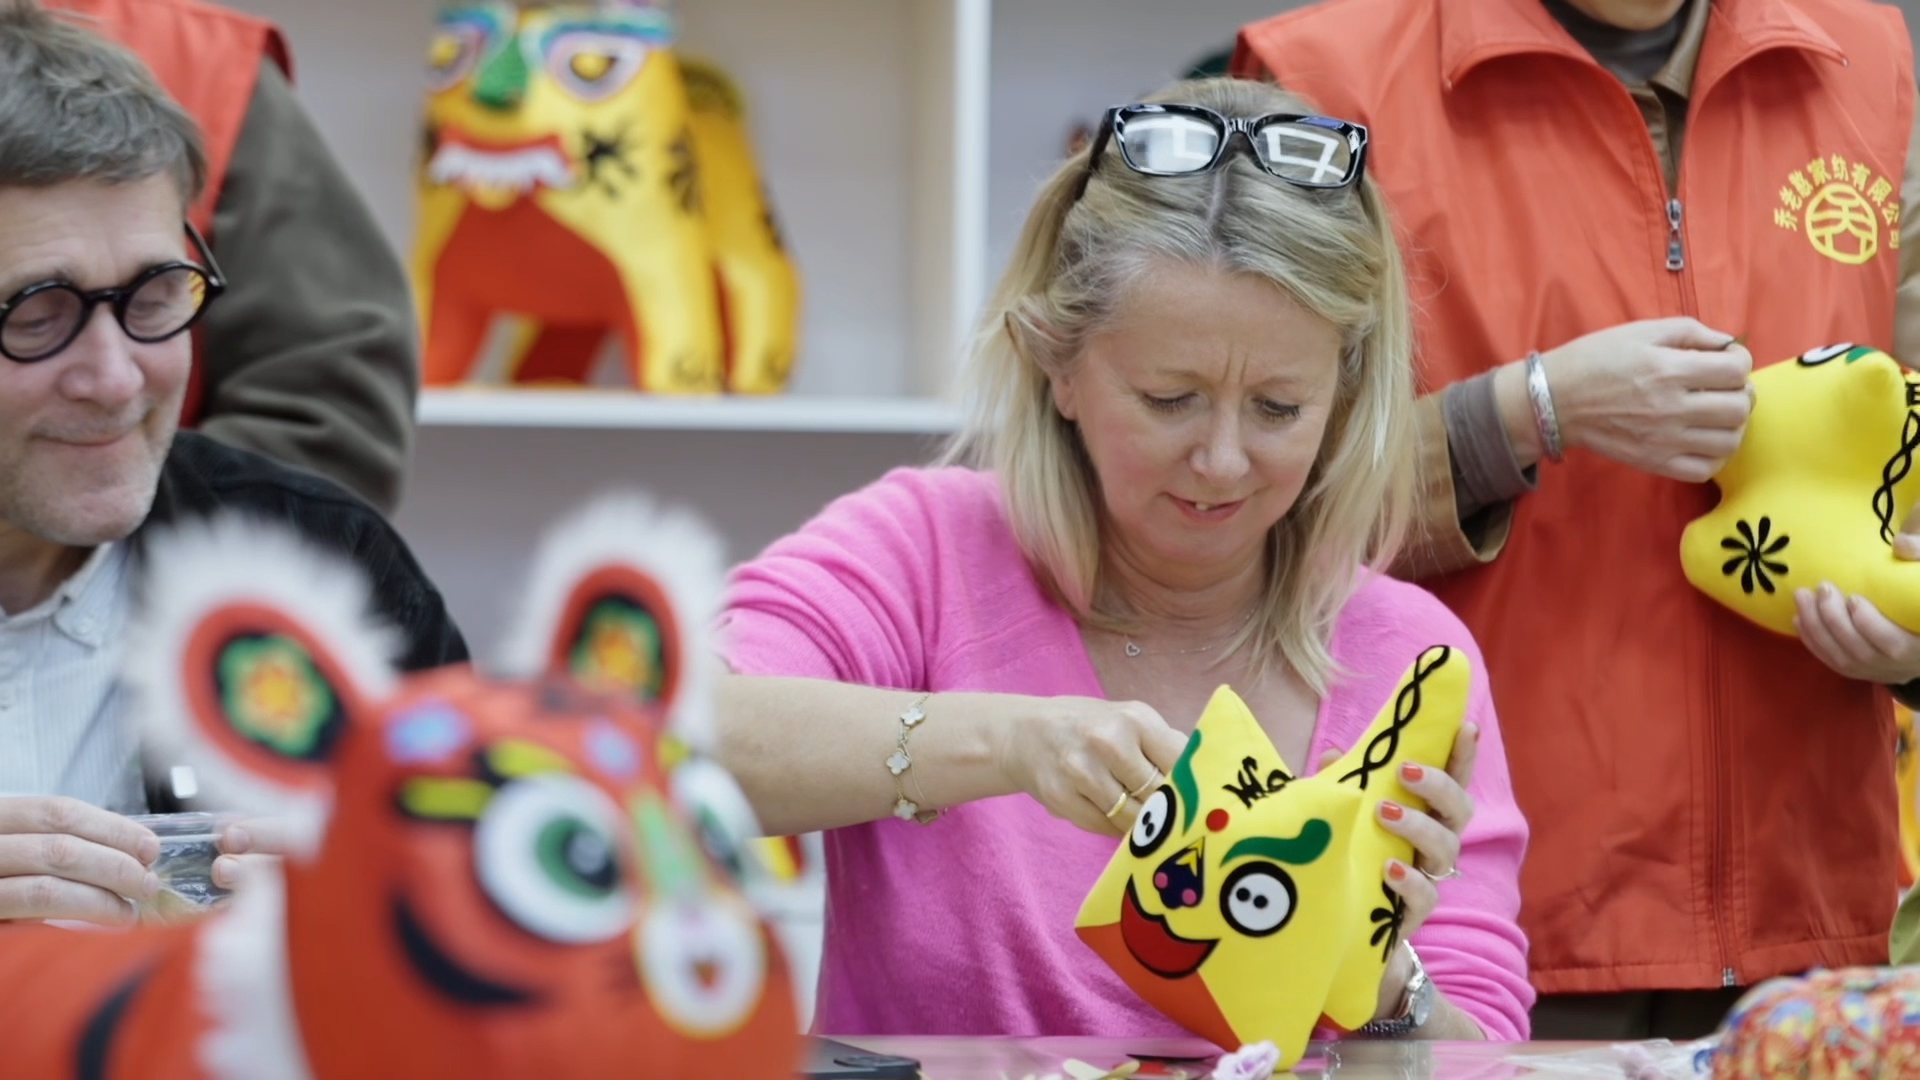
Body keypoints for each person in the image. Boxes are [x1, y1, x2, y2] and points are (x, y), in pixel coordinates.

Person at [715, 77, 1533, 1041]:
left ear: (1345, 397)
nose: (1222, 460)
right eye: (1168, 399)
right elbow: (675, 740)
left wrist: (1382, 981)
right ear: (1056, 363)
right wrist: (1010, 745)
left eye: (1279, 408)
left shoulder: (1409, 654)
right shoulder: (925, 551)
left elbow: (1488, 1047)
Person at [1233, 0, 1918, 1039]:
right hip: (1472, 932)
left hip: (1818, 927)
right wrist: (1526, 412)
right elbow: (1244, 509)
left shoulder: (1862, 54)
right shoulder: (1327, 77)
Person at [0, 0, 465, 927]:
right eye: (37, 315)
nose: (117, 378)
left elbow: (503, 940)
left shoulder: (328, 570)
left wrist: (383, 926)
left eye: (154, 295)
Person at [42, 0, 419, 513]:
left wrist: (100, 541)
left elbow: (328, 408)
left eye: (153, 299)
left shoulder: (201, 62)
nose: (112, 380)